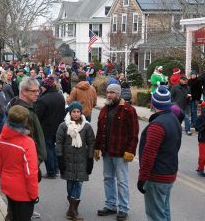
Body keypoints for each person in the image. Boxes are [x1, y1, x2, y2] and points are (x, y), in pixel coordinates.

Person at [94, 84, 139, 221]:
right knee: (108, 178)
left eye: (112, 92)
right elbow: (100, 131)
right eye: (107, 92)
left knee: (122, 181)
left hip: (120, 152)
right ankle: (110, 205)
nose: (109, 95)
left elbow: (133, 133)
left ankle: (123, 208)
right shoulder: (104, 110)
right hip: (107, 151)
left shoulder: (128, 110)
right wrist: (97, 147)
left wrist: (130, 150)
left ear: (118, 94)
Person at [138, 86, 182, 221]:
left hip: (157, 176)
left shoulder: (157, 125)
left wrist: (142, 178)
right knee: (164, 211)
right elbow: (176, 146)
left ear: (153, 103)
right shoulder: (174, 120)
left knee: (155, 215)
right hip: (169, 172)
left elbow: (148, 155)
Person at [0, 105, 39, 221]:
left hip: (8, 185)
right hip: (23, 191)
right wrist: (34, 195)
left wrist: (5, 178)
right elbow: (31, 173)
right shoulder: (27, 143)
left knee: (13, 215)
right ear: (25, 121)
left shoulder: (1, 139)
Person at [56, 101, 95, 220]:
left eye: (78, 112)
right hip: (68, 160)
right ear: (70, 112)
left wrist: (90, 159)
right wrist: (60, 159)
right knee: (70, 183)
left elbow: (91, 143)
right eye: (74, 112)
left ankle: (73, 211)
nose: (76, 114)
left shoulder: (87, 126)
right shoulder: (63, 126)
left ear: (81, 112)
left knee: (78, 183)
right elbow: (59, 143)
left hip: (82, 161)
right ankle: (72, 207)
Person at [35, 77, 66, 179]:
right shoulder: (60, 96)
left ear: (46, 87)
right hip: (58, 127)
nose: (40, 89)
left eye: (42, 87)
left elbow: (38, 115)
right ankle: (55, 168)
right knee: (54, 148)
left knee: (48, 149)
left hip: (46, 129)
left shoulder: (42, 99)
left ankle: (51, 171)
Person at [194, 101, 205, 177]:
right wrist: (203, 126)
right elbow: (197, 128)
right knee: (202, 157)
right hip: (202, 139)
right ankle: (200, 169)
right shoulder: (200, 118)